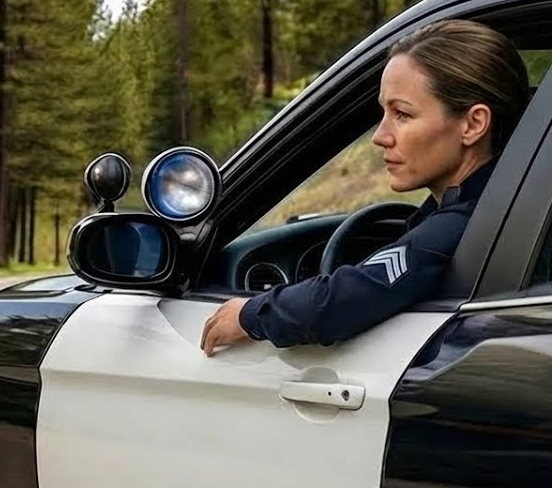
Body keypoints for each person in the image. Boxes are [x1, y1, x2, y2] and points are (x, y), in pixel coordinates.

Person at [201, 18, 531, 356]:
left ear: (473, 124)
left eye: (402, 114)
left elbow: (341, 300)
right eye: (383, 113)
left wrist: (250, 314)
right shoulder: (506, 206)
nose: (380, 136)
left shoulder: (460, 226)